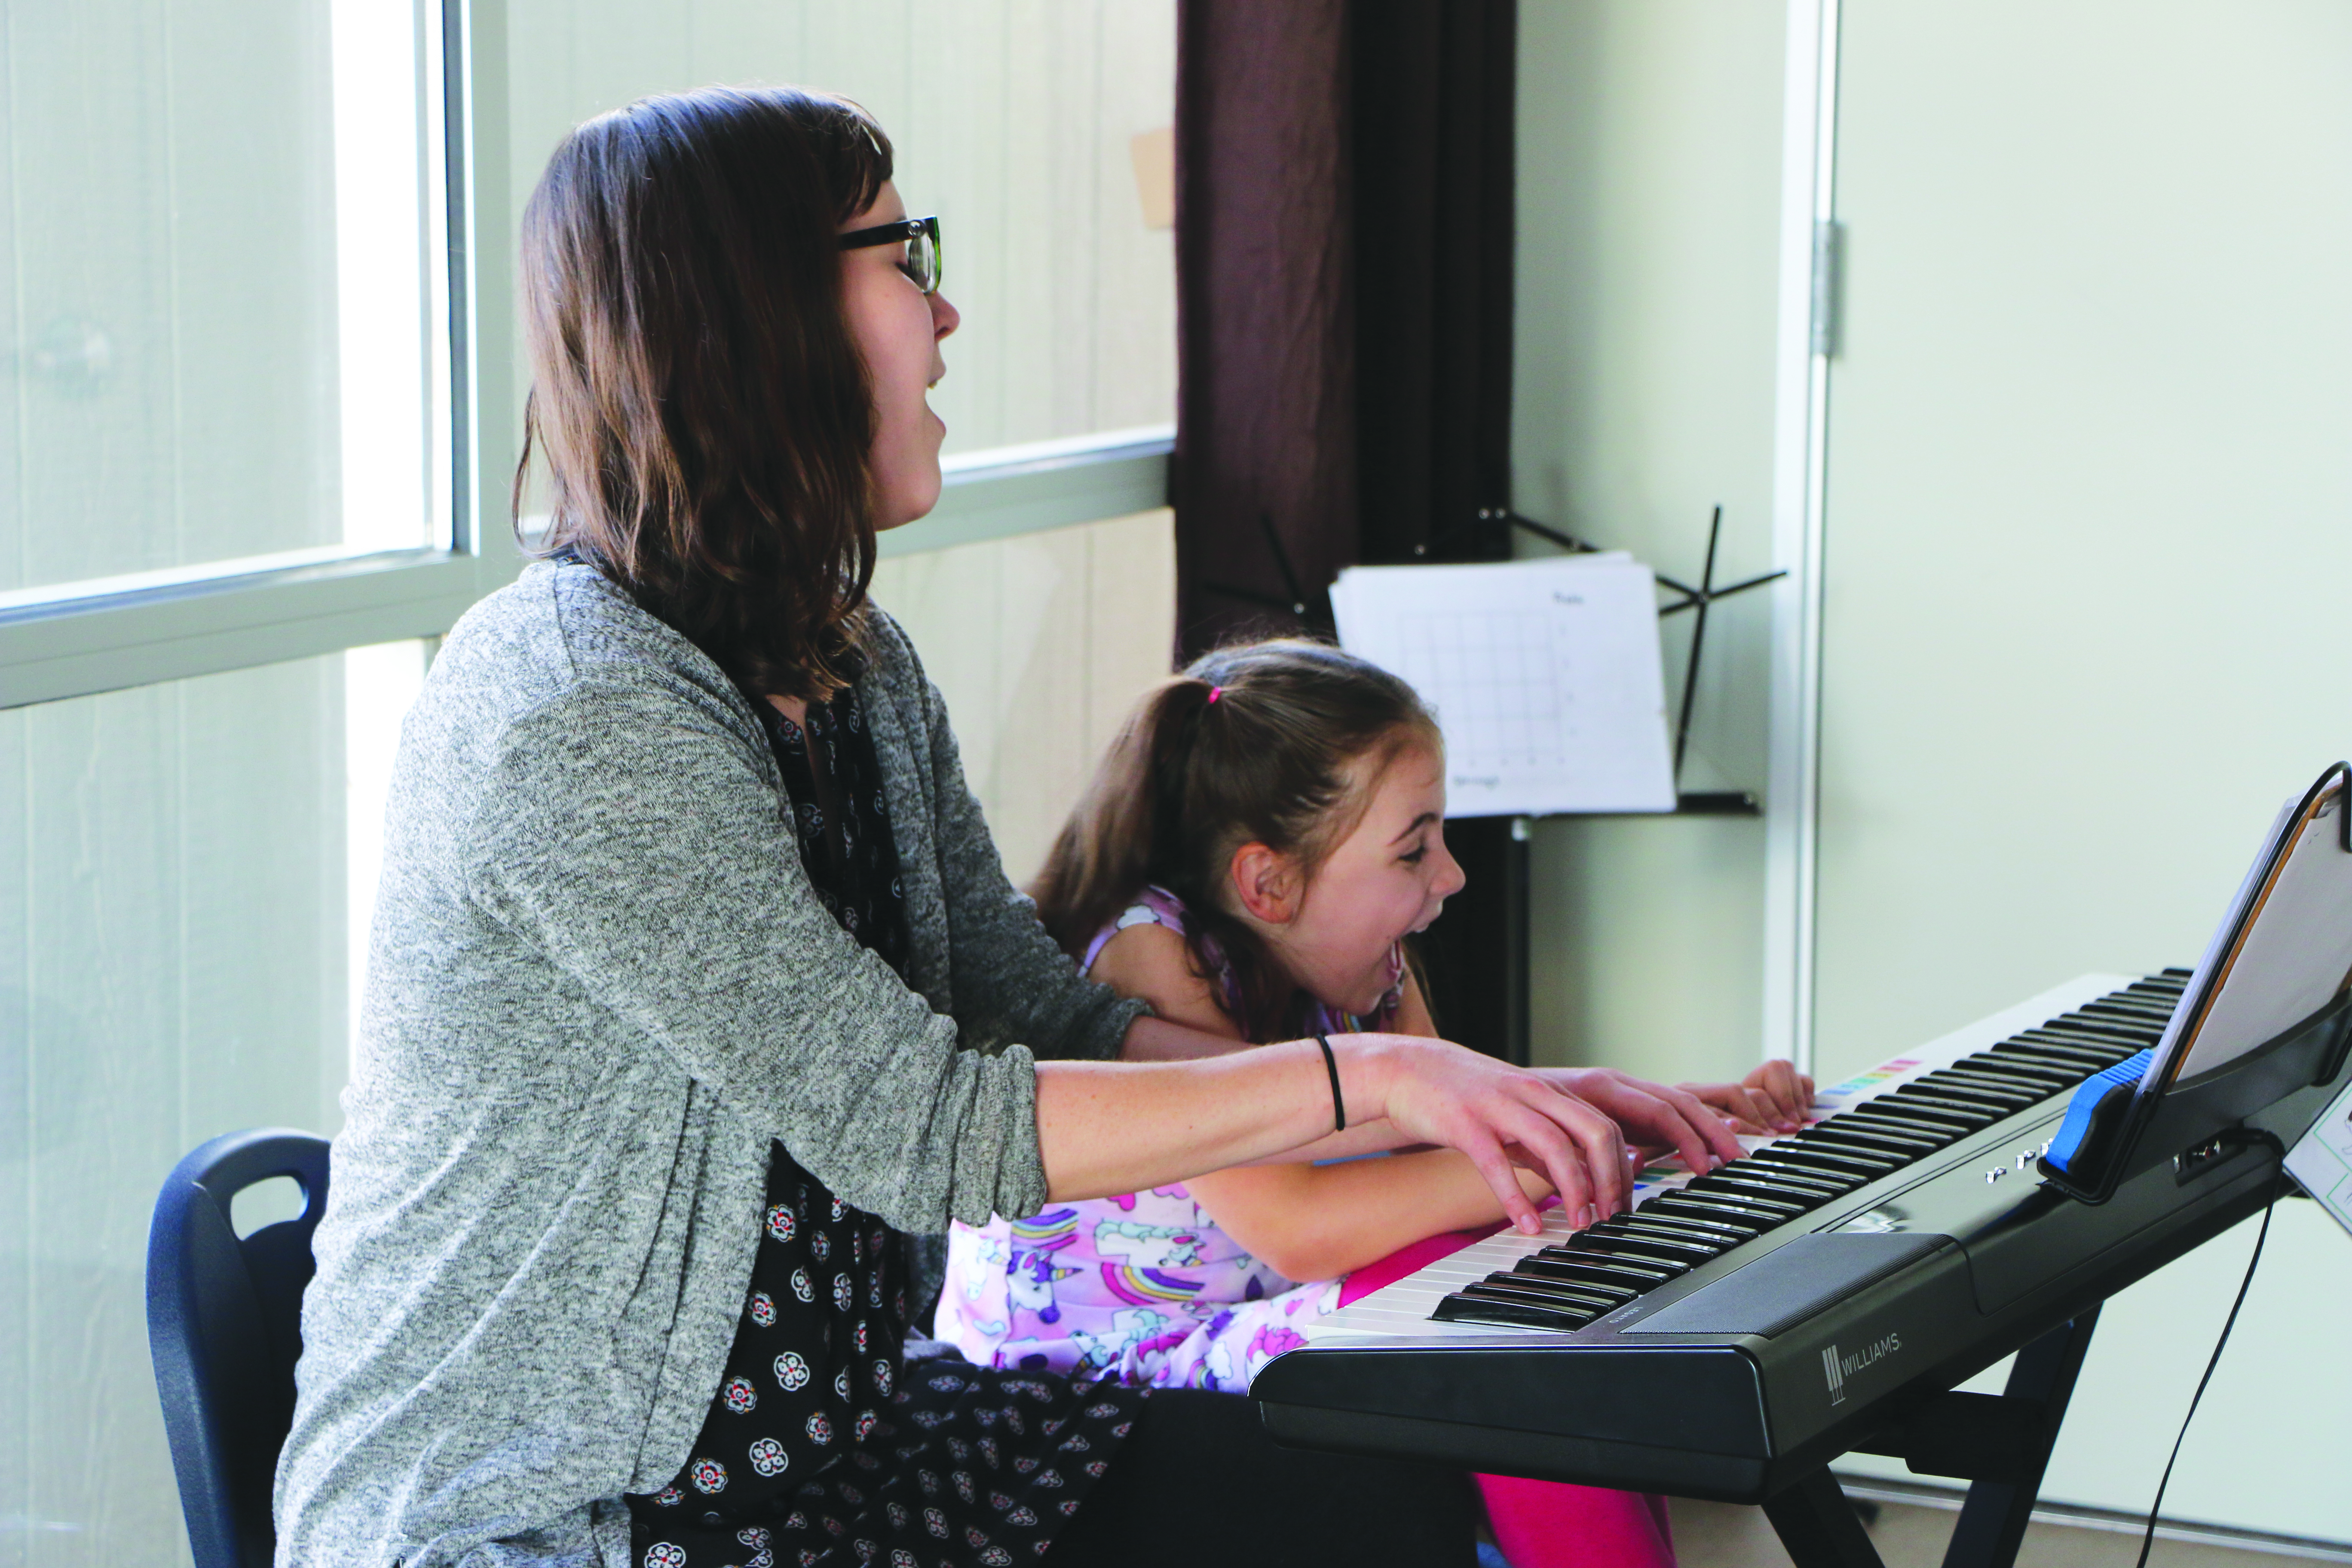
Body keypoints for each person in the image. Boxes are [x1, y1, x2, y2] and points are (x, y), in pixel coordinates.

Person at [271, 86, 1742, 1568]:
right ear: (758, 316)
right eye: (903, 257)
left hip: (840, 1462)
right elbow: (924, 1131)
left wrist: (1474, 1095)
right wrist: (1374, 1071)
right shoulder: (576, 707)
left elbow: (1049, 1018)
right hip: (557, 1524)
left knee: (1387, 1482)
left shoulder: (854, 667)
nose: (946, 309)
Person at [933, 640, 1813, 1568]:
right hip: (1096, 1359)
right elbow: (1299, 1228)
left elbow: (1445, 1139)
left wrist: (1644, 1112)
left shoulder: (1365, 967)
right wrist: (1577, 1154)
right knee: (1481, 1298)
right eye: (1414, 849)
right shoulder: (1148, 951)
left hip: (1242, 1313)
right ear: (1269, 884)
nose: (1452, 875)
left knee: (1538, 1254)